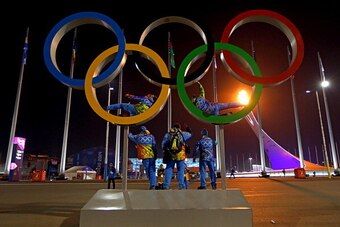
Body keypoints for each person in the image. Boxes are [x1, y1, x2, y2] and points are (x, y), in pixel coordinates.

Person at [161, 123, 192, 190]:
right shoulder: (182, 134)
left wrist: (165, 150)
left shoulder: (168, 134)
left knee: (169, 169)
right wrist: (188, 130)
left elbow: (163, 144)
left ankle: (166, 185)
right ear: (179, 127)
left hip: (170, 154)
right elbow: (190, 134)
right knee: (180, 169)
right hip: (180, 155)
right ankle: (181, 186)